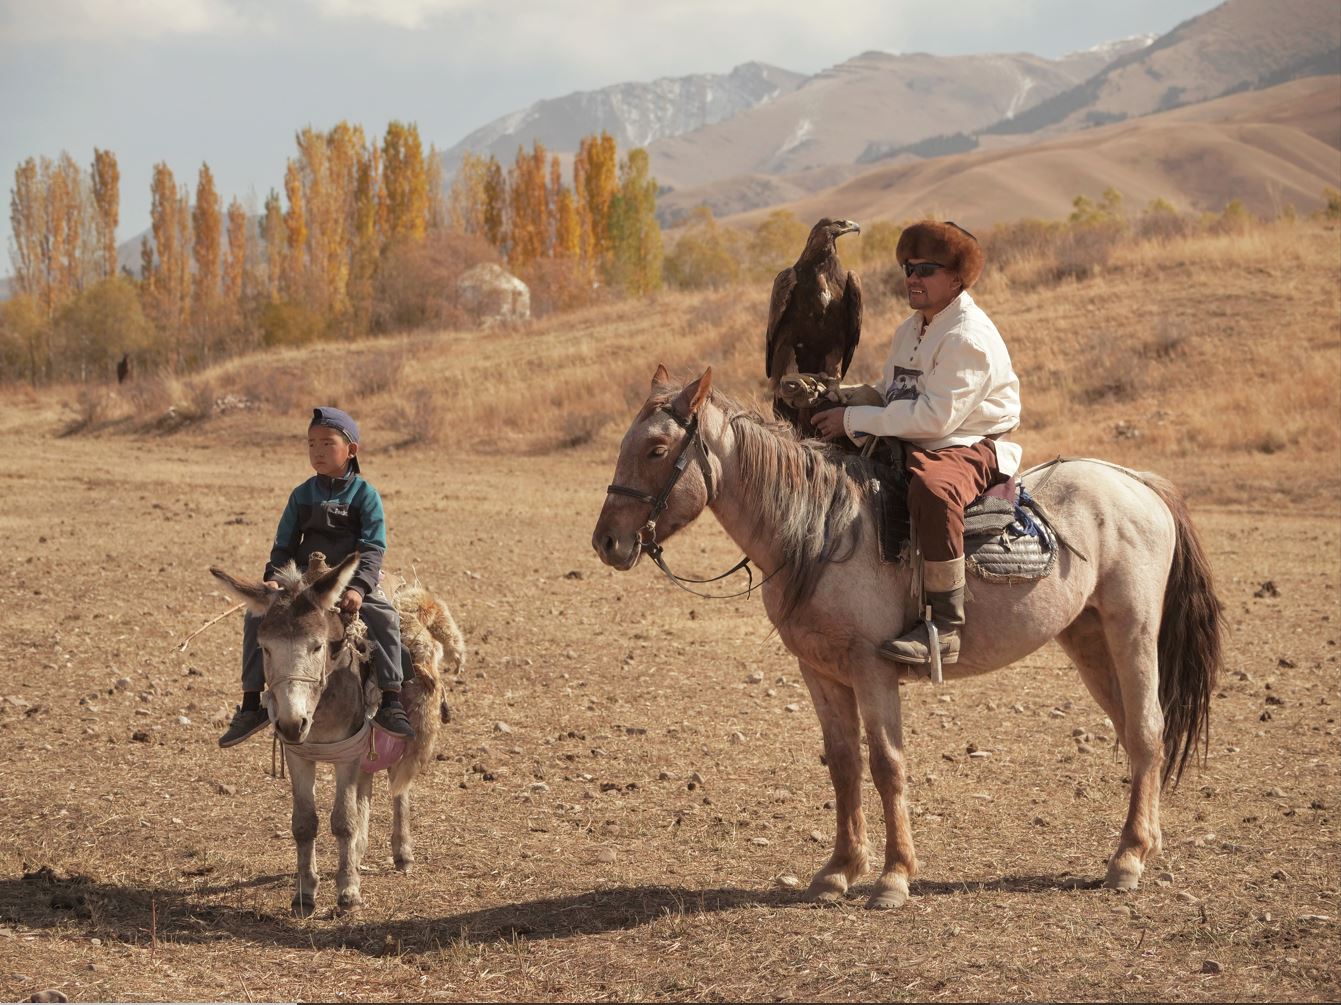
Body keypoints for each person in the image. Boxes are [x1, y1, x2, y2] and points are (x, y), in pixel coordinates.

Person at [813, 221, 1021, 667]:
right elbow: (894, 394)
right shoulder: (911, 329)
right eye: (908, 267)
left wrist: (853, 419)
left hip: (964, 441)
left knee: (932, 490)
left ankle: (944, 625)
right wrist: (839, 396)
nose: (913, 277)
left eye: (927, 268)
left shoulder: (967, 336)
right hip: (918, 433)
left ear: (957, 278)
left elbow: (934, 418)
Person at [218, 406, 416, 746]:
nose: (317, 451)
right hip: (303, 586)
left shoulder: (365, 495)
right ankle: (251, 703)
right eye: (311, 444)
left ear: (351, 450)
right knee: (255, 620)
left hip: (349, 581)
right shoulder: (301, 494)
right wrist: (273, 579)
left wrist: (359, 588)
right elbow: (283, 546)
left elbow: (372, 548)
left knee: (385, 617)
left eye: (327, 444)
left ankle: (391, 699)